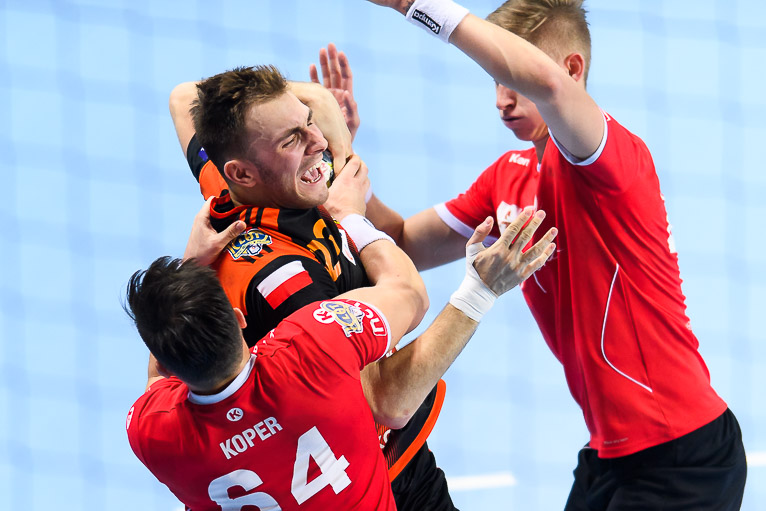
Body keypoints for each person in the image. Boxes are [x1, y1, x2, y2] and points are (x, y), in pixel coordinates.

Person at [341, 0, 746, 509]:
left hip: (683, 453)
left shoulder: (612, 160)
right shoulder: (507, 176)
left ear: (572, 69)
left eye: (512, 79)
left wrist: (413, 5)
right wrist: (340, 155)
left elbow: (550, 88)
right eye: (495, 81)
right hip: (607, 455)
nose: (501, 100)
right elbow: (401, 241)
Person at [125, 200, 557, 510]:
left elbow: (157, 380)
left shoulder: (154, 435)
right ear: (240, 319)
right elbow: (408, 294)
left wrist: (192, 263)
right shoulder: (311, 344)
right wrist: (351, 217)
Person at [168, 65, 458, 510]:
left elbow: (183, 96)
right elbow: (383, 400)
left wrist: (320, 111)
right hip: (372, 482)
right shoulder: (286, 280)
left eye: (309, 125)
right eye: (291, 141)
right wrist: (351, 219)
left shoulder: (229, 188)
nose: (317, 142)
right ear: (243, 173)